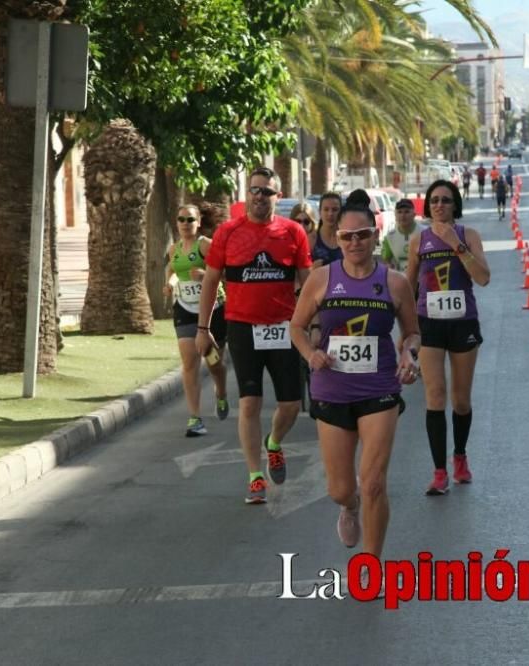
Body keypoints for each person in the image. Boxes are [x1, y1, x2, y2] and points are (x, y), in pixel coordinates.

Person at [290, 202, 421, 557]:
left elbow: (412, 332)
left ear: (375, 235)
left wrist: (409, 353)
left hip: (379, 389)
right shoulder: (322, 279)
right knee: (340, 488)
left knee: (375, 483)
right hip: (332, 389)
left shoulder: (395, 283)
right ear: (337, 238)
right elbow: (297, 327)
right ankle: (350, 506)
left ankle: (371, 562)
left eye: (362, 235)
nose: (354, 243)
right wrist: (310, 354)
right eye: (346, 236)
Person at [196, 166, 313, 504]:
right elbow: (211, 281)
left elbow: (308, 284)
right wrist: (203, 328)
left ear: (278, 197)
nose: (260, 196)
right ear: (248, 194)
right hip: (243, 327)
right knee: (249, 403)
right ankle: (255, 476)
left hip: (283, 327)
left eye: (267, 191)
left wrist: (314, 325)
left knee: (290, 405)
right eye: (255, 190)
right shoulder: (228, 233)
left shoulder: (293, 232)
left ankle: (273, 443)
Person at [406, 179, 490, 495]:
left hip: (462, 323)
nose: (439, 205)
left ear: (455, 204)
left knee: (461, 400)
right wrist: (406, 331)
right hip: (430, 323)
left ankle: (460, 456)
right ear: (428, 207)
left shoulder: (469, 236)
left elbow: (483, 278)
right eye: (434, 200)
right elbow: (407, 288)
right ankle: (439, 471)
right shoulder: (419, 241)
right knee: (435, 396)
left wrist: (456, 243)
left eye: (445, 199)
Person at [164, 204, 230, 437]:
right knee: (189, 362)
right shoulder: (175, 249)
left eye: (190, 219)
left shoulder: (206, 245)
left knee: (213, 362)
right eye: (181, 219)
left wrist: (205, 276)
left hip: (213, 309)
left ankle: (221, 392)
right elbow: (172, 269)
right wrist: (169, 285)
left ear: (198, 222)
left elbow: (226, 273)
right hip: (185, 310)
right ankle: (195, 417)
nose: (185, 223)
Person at [380, 198, 422, 273]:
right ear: (395, 215)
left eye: (407, 212)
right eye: (399, 212)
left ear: (414, 214)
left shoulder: (424, 232)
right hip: (400, 279)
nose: (403, 216)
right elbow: (386, 260)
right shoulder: (390, 237)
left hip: (421, 279)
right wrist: (388, 265)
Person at [312, 192, 343, 268]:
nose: (330, 214)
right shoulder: (312, 238)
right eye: (326, 209)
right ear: (320, 212)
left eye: (335, 209)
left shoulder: (348, 237)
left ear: (341, 212)